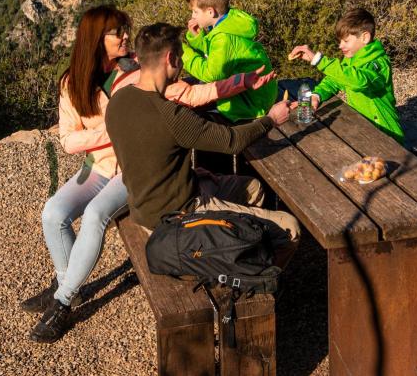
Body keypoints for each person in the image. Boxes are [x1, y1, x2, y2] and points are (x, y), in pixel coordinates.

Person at [23, 5, 272, 343]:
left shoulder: (136, 72)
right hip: (97, 166)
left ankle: (62, 301)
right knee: (53, 213)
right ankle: (66, 281)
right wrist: (119, 126)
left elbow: (189, 94)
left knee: (96, 214)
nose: (126, 36)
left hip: (132, 167)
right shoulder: (73, 82)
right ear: (97, 39)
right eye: (117, 32)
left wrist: (241, 83)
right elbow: (68, 141)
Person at [106, 22, 300, 268]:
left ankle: (239, 254)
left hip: (145, 207)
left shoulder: (119, 100)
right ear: (171, 58)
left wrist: (189, 176)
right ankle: (254, 279)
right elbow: (232, 141)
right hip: (180, 215)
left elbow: (149, 155)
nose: (183, 64)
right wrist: (270, 119)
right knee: (289, 228)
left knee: (253, 188)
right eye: (181, 57)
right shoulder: (170, 115)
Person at [287, 7, 405, 143]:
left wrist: (319, 60)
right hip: (364, 128)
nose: (340, 46)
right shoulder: (351, 58)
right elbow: (335, 80)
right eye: (340, 41)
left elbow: (359, 81)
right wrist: (316, 95)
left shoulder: (379, 64)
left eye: (346, 41)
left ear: (365, 37)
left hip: (387, 134)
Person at [181, 0, 277, 121]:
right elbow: (217, 54)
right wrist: (197, 38)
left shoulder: (224, 37)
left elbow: (211, 74)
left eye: (195, 12)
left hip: (249, 103)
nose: (192, 16)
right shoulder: (229, 23)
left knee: (189, 108)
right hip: (260, 95)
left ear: (210, 12)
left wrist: (182, 53)